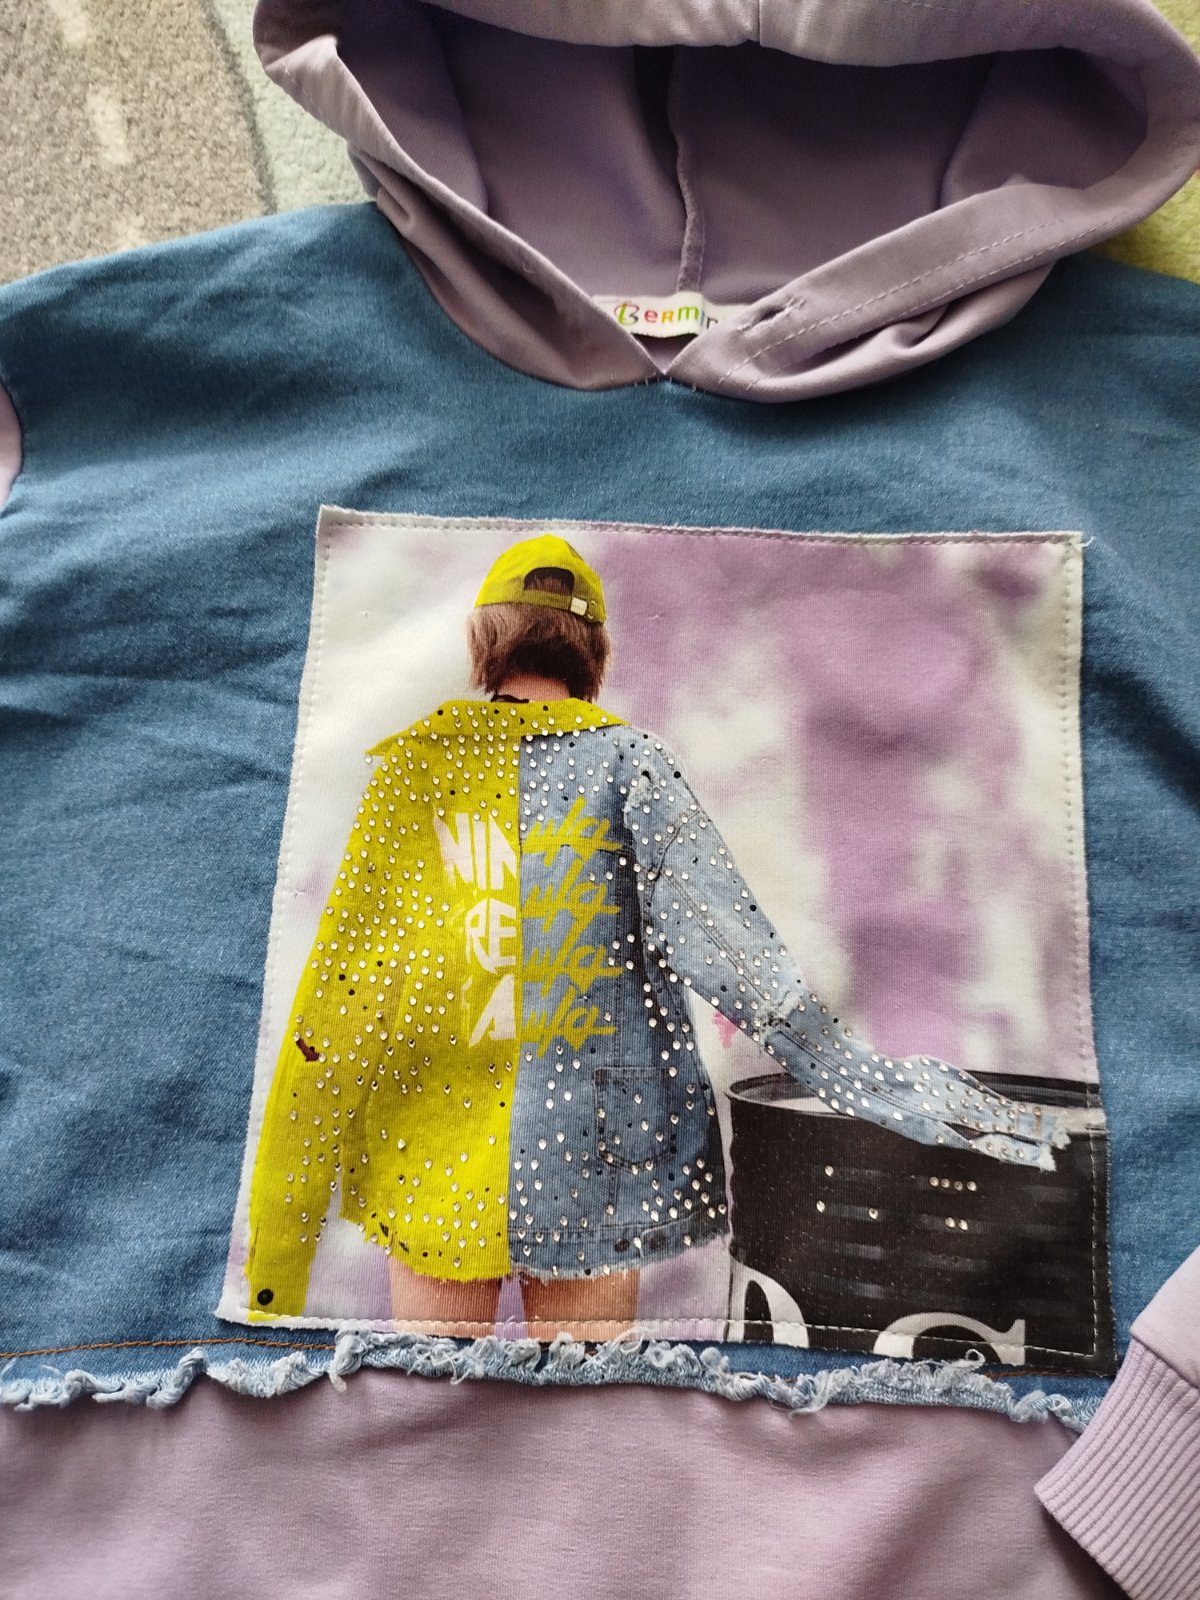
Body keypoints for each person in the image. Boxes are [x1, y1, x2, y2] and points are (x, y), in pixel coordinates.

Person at [245, 535, 1068, 1340]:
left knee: (428, 1402)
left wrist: (277, 1259)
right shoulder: (630, 766)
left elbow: (337, 1012)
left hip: (434, 1155)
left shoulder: (415, 773)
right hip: (603, 1154)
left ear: (483, 639)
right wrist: (878, 1086)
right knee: (592, 1407)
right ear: (592, 650)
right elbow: (743, 966)